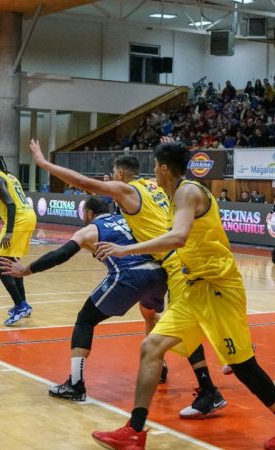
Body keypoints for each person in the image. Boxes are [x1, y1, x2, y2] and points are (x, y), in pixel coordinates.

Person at [91, 141, 275, 450]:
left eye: (155, 167)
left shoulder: (187, 192)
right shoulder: (174, 196)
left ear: (164, 168)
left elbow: (179, 237)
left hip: (219, 288)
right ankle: (134, 431)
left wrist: (125, 249)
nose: (153, 173)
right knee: (151, 347)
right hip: (195, 288)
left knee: (244, 366)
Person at [28, 139, 225, 418]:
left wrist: (44, 164)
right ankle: (179, 370)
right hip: (178, 264)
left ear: (120, 175)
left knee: (180, 328)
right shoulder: (157, 186)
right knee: (171, 322)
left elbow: (85, 183)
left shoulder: (127, 191)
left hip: (174, 263)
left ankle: (211, 388)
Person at [0, 197, 167, 401]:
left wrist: (26, 270)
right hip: (158, 274)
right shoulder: (128, 220)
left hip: (129, 275)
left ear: (88, 213)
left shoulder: (89, 230)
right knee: (149, 313)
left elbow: (62, 254)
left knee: (85, 319)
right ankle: (160, 367)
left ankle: (75, 385)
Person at [0, 152, 37, 326]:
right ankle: (23, 305)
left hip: (18, 220)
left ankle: (20, 305)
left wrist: (9, 232)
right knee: (12, 263)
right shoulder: (8, 176)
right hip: (28, 216)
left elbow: (11, 204)